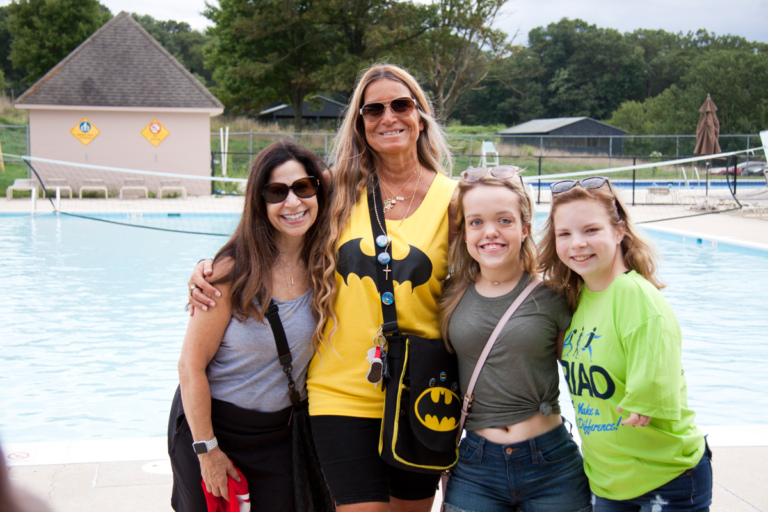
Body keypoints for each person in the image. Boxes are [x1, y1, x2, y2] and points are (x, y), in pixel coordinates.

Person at [189, 64, 456, 511]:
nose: (388, 117)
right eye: (373, 110)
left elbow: (492, 271)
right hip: (340, 395)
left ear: (420, 114)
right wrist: (213, 266)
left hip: (419, 395)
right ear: (360, 124)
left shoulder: (455, 199)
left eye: (401, 104)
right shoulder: (336, 189)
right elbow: (275, 221)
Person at [168, 140, 335, 512]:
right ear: (259, 203)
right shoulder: (230, 272)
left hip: (279, 435)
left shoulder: (326, 263)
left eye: (303, 188)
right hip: (213, 428)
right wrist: (207, 451)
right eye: (276, 192)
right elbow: (189, 367)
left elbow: (352, 173)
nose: (293, 202)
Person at [538, 176, 712, 511]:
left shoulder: (633, 293)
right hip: (608, 480)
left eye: (591, 230)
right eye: (565, 234)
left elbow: (659, 351)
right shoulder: (581, 298)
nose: (577, 243)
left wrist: (644, 397)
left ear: (619, 232)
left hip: (665, 476)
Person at [438, 166, 591, 512]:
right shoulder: (449, 297)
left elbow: (588, 369)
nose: (490, 232)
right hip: (477, 466)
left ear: (524, 228)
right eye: (476, 222)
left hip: (551, 462)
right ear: (463, 233)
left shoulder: (554, 296)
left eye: (504, 221)